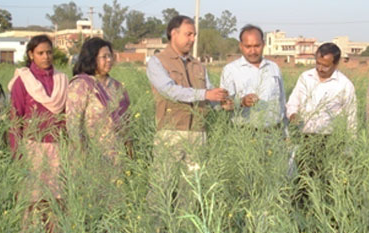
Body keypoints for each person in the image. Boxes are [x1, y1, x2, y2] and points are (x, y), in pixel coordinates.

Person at [146, 15, 228, 209]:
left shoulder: (198, 65)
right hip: (170, 133)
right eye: (188, 34)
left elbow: (209, 95)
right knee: (162, 187)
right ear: (173, 34)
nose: (192, 39)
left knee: (191, 189)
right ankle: (155, 225)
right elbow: (170, 91)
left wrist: (222, 103)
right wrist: (205, 94)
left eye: (194, 35)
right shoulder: (157, 62)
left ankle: (185, 227)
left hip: (198, 135)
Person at [8, 34, 68, 233]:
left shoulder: (61, 80)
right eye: (40, 53)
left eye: (49, 52)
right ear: (31, 54)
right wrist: (17, 153)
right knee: (32, 203)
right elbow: (15, 119)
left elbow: (67, 117)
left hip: (58, 148)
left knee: (56, 202)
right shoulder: (23, 82)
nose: (46, 57)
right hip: (32, 148)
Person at [286, 42, 357, 186]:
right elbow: (292, 103)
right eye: (318, 63)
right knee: (303, 183)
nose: (320, 68)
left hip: (331, 142)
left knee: (327, 183)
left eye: (325, 65)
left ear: (336, 64)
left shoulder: (344, 85)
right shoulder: (305, 77)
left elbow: (351, 118)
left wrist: (349, 149)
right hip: (305, 139)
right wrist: (293, 114)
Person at [66, 37, 131, 162]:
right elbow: (73, 124)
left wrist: (129, 153)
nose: (109, 60)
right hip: (92, 156)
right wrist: (81, 153)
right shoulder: (81, 85)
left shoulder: (117, 86)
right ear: (91, 58)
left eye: (110, 56)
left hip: (117, 156)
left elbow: (127, 123)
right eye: (104, 57)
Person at [220, 24, 287, 131]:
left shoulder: (273, 68)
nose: (253, 51)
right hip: (244, 133)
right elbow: (224, 104)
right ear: (241, 46)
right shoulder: (231, 70)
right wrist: (241, 102)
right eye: (248, 47)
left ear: (263, 44)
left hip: (274, 132)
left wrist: (285, 131)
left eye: (257, 46)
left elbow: (282, 102)